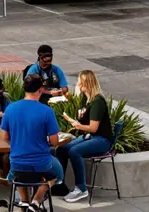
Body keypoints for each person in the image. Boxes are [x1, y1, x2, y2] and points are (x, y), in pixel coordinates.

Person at [0, 74, 64, 212]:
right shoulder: (47, 111)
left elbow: (5, 137)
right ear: (40, 90)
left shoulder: (10, 109)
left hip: (17, 164)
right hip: (42, 164)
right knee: (59, 174)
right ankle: (36, 201)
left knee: (16, 173)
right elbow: (54, 141)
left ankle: (24, 201)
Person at [55, 70, 114, 203]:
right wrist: (72, 121)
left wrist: (78, 126)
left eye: (79, 83)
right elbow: (83, 120)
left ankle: (81, 188)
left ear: (85, 84)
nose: (77, 85)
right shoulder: (85, 99)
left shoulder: (97, 101)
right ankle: (59, 184)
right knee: (61, 149)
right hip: (89, 136)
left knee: (74, 151)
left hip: (101, 139)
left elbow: (93, 128)